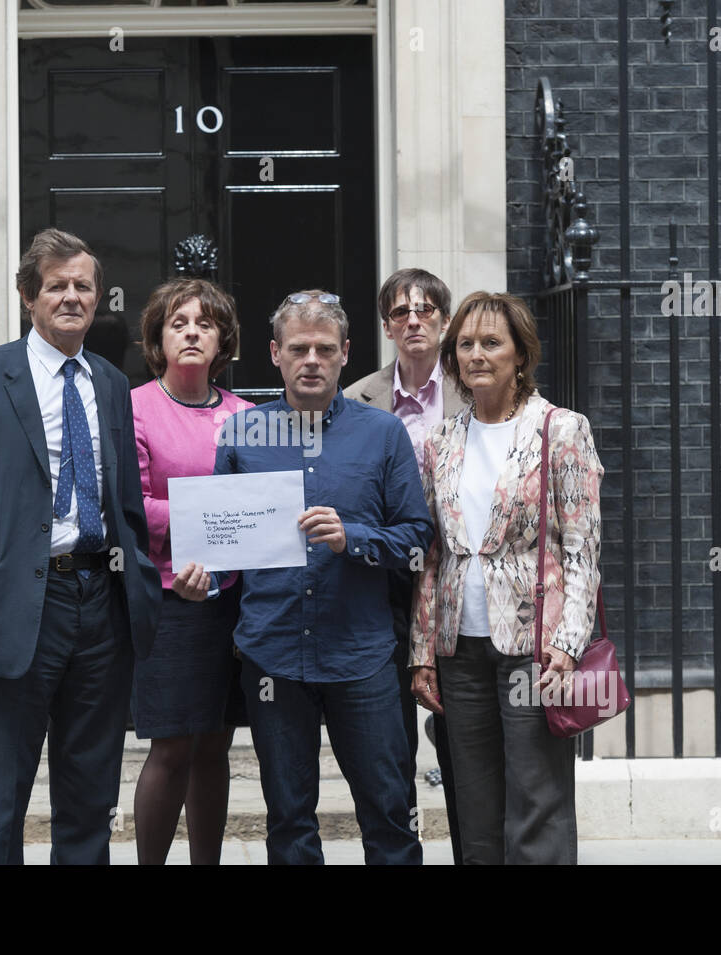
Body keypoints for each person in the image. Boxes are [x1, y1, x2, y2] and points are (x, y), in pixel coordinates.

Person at [0, 227, 161, 865]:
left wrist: (137, 586)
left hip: (101, 603)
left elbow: (125, 503)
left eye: (82, 286)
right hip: (18, 607)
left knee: (90, 793)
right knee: (2, 794)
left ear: (97, 297)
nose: (70, 297)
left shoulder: (112, 384)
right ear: (29, 297)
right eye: (55, 286)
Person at [215, 290, 434, 865]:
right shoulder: (241, 435)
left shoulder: (383, 435)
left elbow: (416, 533)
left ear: (345, 355)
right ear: (275, 355)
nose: (311, 359)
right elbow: (221, 546)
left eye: (324, 349)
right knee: (288, 821)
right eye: (299, 348)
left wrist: (354, 537)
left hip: (361, 656)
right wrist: (204, 575)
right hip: (273, 654)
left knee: (389, 813)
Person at [409, 291, 603, 865]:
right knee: (473, 803)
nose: (476, 355)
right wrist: (422, 651)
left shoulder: (560, 430)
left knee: (535, 797)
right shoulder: (442, 441)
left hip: (534, 649)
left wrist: (568, 644)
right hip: (457, 650)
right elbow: (431, 553)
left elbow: (582, 547)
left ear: (521, 354)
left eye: (491, 343)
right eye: (465, 344)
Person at [129, 278, 255, 865]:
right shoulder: (135, 407)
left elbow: (263, 508)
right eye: (178, 323)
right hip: (172, 601)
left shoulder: (250, 416)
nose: (191, 333)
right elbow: (131, 507)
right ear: (158, 337)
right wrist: (206, 517)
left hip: (235, 603)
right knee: (172, 746)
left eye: (204, 324)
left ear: (221, 339)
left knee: (215, 746)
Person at [343, 267, 465, 864]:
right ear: (387, 325)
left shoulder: (476, 389)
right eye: (399, 312)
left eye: (424, 310)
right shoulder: (357, 397)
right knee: (388, 746)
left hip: (455, 585)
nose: (412, 320)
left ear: (444, 319)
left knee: (461, 738)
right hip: (384, 584)